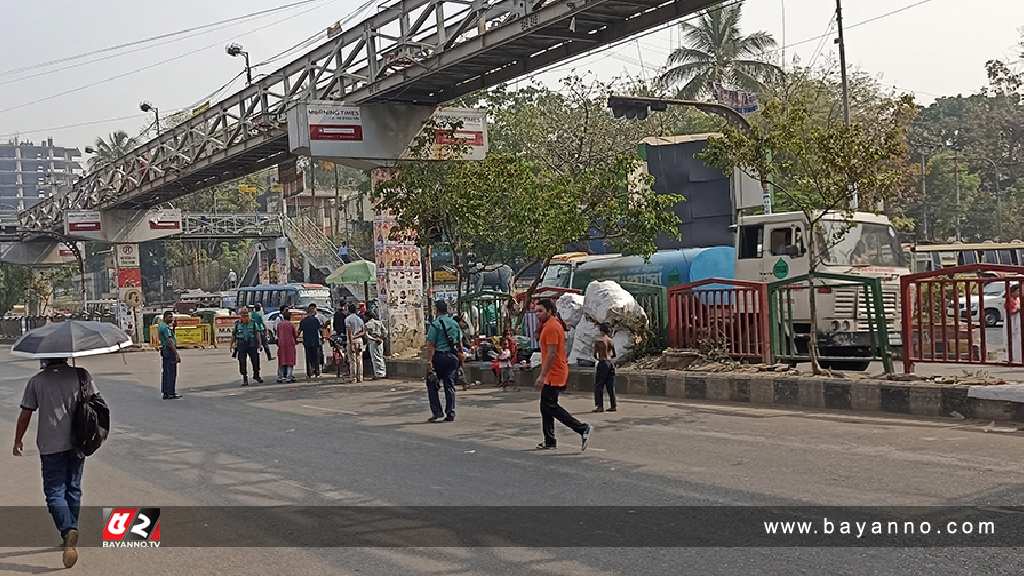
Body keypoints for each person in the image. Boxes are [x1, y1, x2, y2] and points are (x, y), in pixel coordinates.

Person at [13, 358, 98, 568]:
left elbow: (25, 414)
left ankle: (68, 530)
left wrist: (18, 440)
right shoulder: (82, 375)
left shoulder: (37, 381)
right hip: (78, 441)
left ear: (44, 359)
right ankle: (71, 531)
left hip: (51, 446)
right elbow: (97, 404)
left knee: (54, 491)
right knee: (74, 488)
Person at [534, 298, 592, 451]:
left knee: (550, 406)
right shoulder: (549, 326)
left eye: (540, 311)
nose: (537, 314)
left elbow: (552, 354)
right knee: (545, 407)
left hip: (554, 373)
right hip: (553, 372)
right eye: (535, 311)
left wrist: (542, 375)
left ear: (550, 311)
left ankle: (581, 428)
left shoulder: (552, 327)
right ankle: (549, 440)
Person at [425, 300, 462, 422]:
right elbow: (459, 342)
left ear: (437, 310)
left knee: (432, 384)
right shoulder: (454, 323)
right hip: (452, 358)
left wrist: (429, 362)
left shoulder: (435, 324)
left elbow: (431, 344)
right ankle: (450, 412)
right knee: (449, 385)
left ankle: (437, 412)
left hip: (439, 358)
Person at [231, 306, 263, 386]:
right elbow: (234, 335)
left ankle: (256, 375)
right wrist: (232, 345)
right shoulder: (237, 324)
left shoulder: (253, 322)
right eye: (243, 315)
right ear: (240, 315)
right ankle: (245, 378)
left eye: (246, 315)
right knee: (242, 361)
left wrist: (259, 344)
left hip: (252, 344)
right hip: (241, 344)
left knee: (255, 360)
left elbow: (257, 334)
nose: (245, 316)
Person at [157, 310, 182, 400]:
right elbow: (170, 341)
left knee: (166, 372)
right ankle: (170, 392)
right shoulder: (165, 327)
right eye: (169, 317)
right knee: (171, 373)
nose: (171, 319)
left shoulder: (164, 326)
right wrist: (176, 354)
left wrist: (174, 328)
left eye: (172, 317)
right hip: (169, 351)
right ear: (165, 317)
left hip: (165, 351)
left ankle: (166, 392)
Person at [593, 323, 617, 412]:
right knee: (610, 386)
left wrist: (599, 358)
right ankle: (613, 405)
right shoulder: (611, 341)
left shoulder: (599, 341)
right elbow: (614, 354)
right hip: (610, 363)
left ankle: (600, 406)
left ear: (601, 330)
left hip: (602, 363)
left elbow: (595, 355)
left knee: (599, 385)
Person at [299, 304, 323, 379]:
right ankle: (317, 373)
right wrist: (322, 337)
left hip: (307, 342)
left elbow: (299, 331)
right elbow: (320, 330)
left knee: (308, 358)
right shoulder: (315, 320)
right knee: (316, 358)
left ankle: (309, 373)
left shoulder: (303, 321)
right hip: (315, 341)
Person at [344, 304, 367, 382]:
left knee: (352, 360)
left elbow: (349, 331)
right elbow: (363, 332)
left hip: (351, 340)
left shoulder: (348, 319)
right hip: (359, 340)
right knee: (359, 360)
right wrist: (357, 336)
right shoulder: (360, 319)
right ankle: (360, 378)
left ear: (349, 310)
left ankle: (353, 378)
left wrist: (351, 342)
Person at [276, 309, 298, 383]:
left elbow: (278, 334)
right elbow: (295, 334)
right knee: (290, 361)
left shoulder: (279, 324)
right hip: (290, 344)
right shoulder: (291, 324)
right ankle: (289, 377)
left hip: (281, 344)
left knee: (281, 360)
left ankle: (280, 377)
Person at [364, 310, 387, 379]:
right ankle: (383, 372)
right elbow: (385, 332)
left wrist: (374, 339)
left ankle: (378, 374)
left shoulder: (367, 324)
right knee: (380, 356)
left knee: (375, 358)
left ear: (367, 316)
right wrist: (381, 338)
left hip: (373, 341)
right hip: (380, 341)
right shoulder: (379, 323)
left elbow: (366, 335)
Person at [1007, 284, 1022, 363]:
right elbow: (1010, 311)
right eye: (1017, 291)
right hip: (1011, 321)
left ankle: (1018, 356)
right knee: (1012, 338)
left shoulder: (1018, 299)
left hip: (1017, 321)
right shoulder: (1010, 299)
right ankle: (1011, 357)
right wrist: (1018, 310)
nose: (1019, 293)